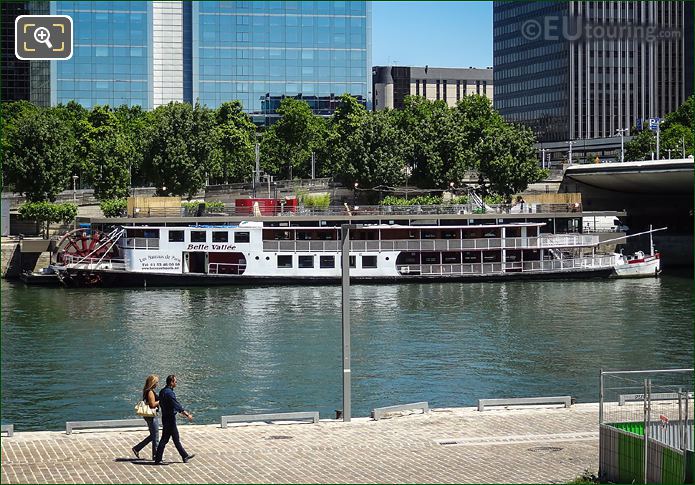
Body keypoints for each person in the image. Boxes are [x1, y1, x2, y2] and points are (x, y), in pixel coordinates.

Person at [154, 375, 195, 464]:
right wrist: (187, 415)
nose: (176, 383)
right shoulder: (169, 393)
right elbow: (176, 405)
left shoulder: (162, 391)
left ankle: (184, 456)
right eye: (175, 381)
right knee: (165, 439)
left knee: (175, 439)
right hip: (170, 419)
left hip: (165, 417)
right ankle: (158, 459)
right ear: (171, 382)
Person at [132, 374, 160, 460]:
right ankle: (156, 456)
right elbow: (152, 405)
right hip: (151, 416)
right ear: (153, 383)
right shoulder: (150, 392)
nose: (157, 384)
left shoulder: (146, 390)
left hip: (148, 415)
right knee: (156, 436)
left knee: (153, 435)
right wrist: (161, 400)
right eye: (156, 382)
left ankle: (137, 448)